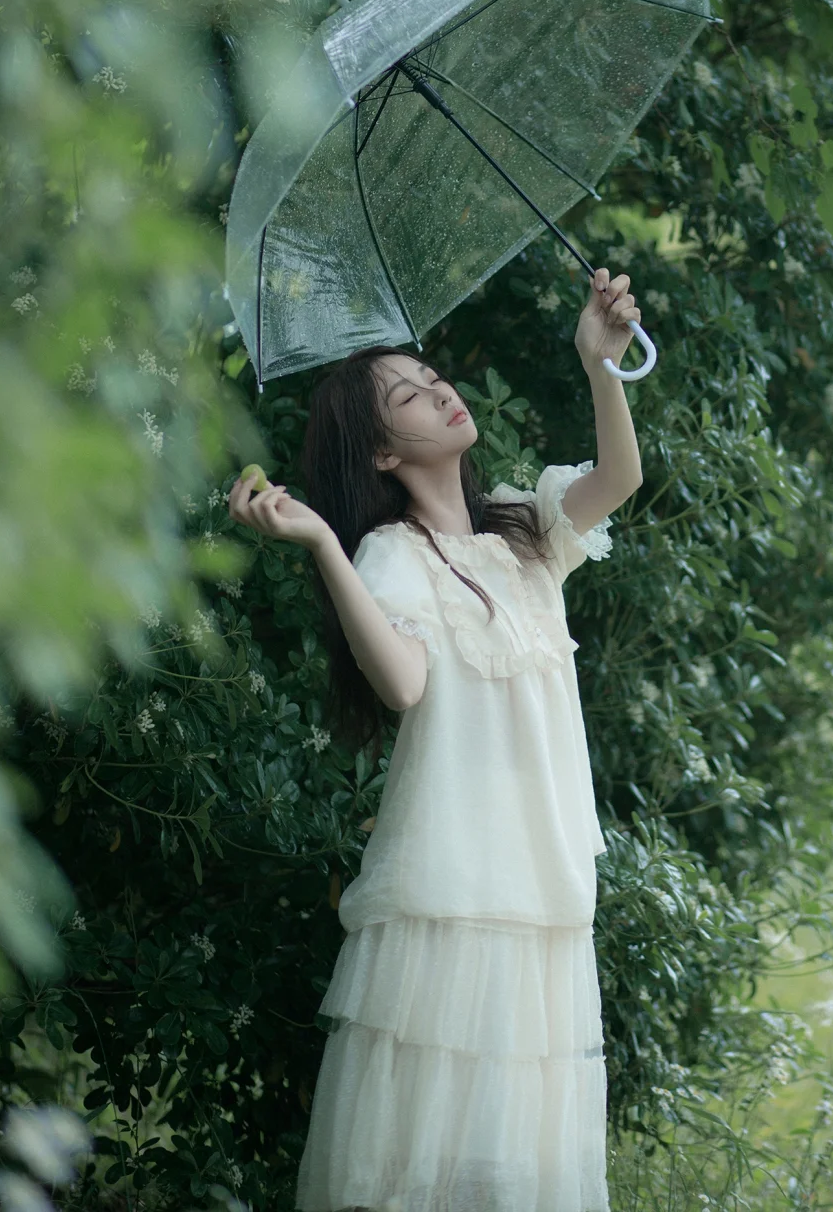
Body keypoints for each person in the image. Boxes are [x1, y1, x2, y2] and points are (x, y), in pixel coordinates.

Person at [227, 267, 644, 1212]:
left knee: (518, 1161)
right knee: (425, 1167)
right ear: (380, 453)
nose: (440, 389)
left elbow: (620, 478)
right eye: (408, 395)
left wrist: (600, 364)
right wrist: (325, 544)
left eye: (431, 374)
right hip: (454, 896)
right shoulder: (390, 556)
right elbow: (406, 682)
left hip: (545, 895)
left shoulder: (527, 530)